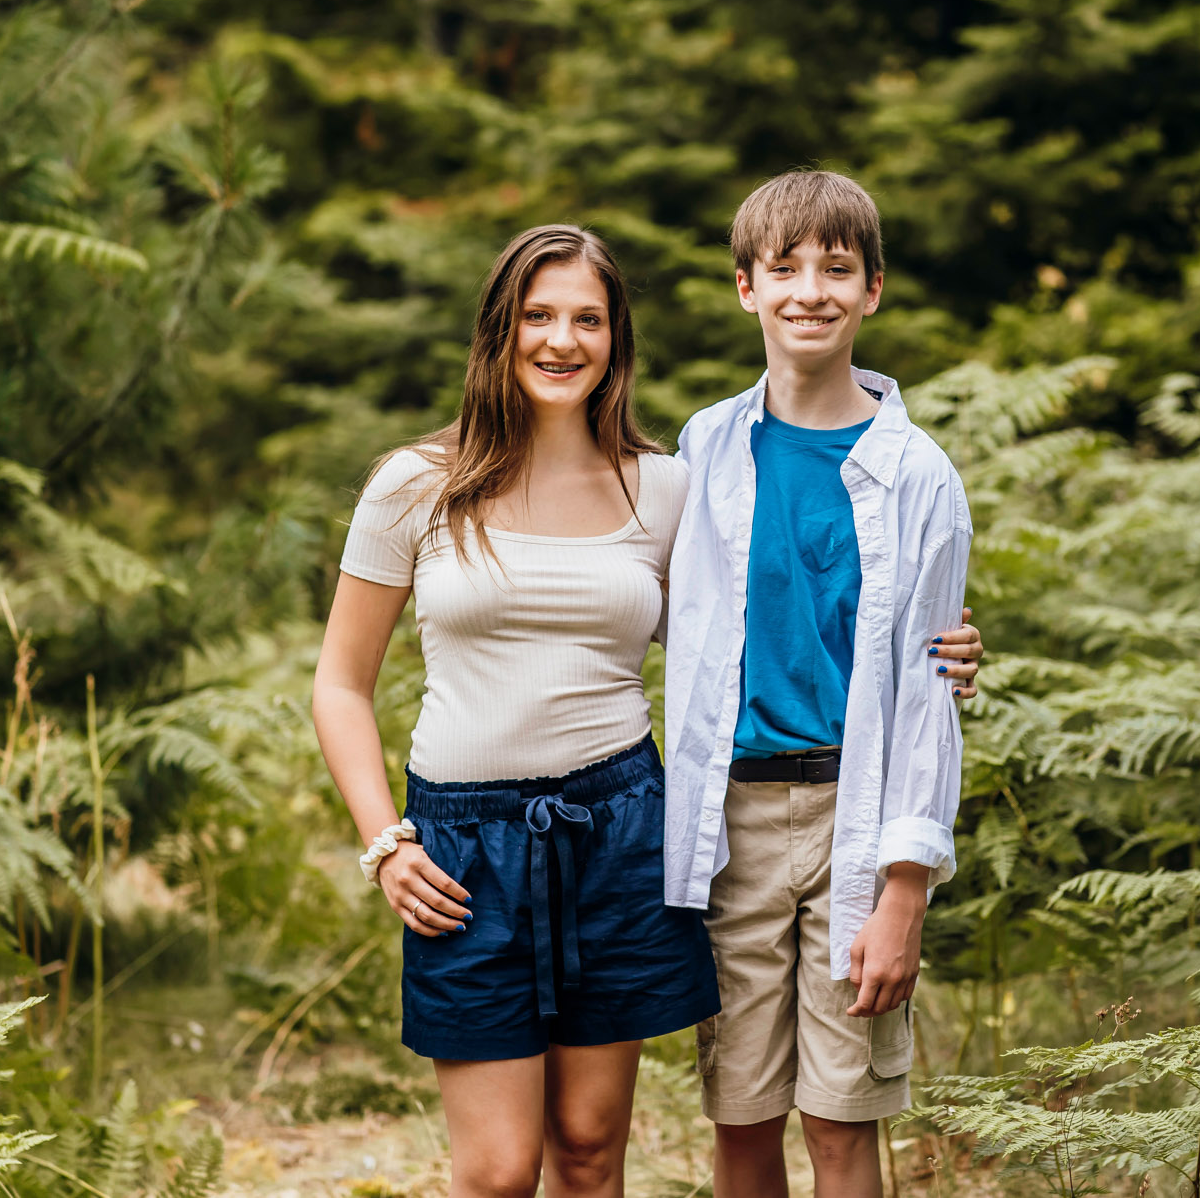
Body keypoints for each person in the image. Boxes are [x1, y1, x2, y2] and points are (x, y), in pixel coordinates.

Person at [312, 223, 980, 1198]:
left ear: (615, 342)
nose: (560, 340)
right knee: (498, 1171)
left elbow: (759, 632)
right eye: (536, 316)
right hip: (463, 846)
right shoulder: (416, 486)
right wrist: (386, 842)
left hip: (617, 828)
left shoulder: (666, 487)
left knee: (589, 1149)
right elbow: (339, 682)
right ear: (498, 329)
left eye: (587, 319)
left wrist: (939, 649)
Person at [664, 171, 974, 1198]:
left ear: (872, 290)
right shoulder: (705, 448)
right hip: (731, 827)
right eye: (783, 267)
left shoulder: (918, 473)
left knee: (841, 1123)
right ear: (744, 287)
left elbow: (928, 693)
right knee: (741, 1117)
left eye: (836, 269)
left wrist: (904, 894)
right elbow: (650, 605)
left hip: (857, 808)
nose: (810, 290)